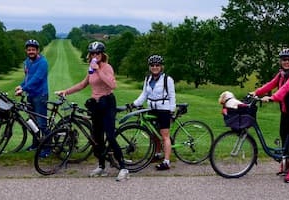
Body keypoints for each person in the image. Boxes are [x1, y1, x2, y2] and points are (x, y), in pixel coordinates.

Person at [55, 41, 129, 181]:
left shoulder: (107, 67)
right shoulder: (91, 68)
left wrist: (99, 70)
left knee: (110, 136)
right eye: (93, 53)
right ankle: (101, 166)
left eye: (98, 53)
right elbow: (83, 84)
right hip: (96, 105)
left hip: (107, 103)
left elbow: (112, 85)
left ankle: (124, 168)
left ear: (102, 54)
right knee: (97, 138)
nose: (95, 55)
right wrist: (66, 91)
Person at [250, 48, 289, 183]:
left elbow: (285, 89)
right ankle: (287, 163)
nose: (286, 62)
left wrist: (272, 98)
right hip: (286, 110)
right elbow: (271, 84)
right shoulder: (281, 74)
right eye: (284, 59)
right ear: (280, 61)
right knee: (283, 134)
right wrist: (256, 92)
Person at [130, 54, 176, 170]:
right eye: (152, 65)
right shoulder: (148, 79)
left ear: (161, 67)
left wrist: (172, 110)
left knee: (165, 136)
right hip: (152, 109)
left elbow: (172, 96)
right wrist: (134, 104)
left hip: (164, 110)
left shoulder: (167, 79)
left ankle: (166, 161)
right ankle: (157, 154)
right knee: (154, 135)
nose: (155, 67)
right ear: (149, 67)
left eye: (157, 65)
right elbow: (144, 95)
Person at [15, 39, 49, 153]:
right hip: (30, 95)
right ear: (26, 51)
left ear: (37, 50)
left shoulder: (43, 62)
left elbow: (37, 78)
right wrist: (20, 85)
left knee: (42, 123)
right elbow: (28, 78)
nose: (31, 51)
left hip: (40, 95)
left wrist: (23, 89)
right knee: (32, 123)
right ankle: (36, 144)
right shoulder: (27, 62)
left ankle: (47, 148)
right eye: (29, 50)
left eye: (33, 49)